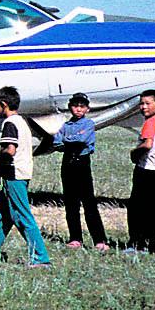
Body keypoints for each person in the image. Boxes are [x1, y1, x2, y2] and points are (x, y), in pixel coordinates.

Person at [0, 86, 51, 267]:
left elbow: (10, 151)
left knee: (23, 215)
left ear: (3, 105)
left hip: (14, 175)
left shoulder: (9, 124)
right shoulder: (22, 122)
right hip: (20, 172)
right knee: (4, 215)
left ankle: (40, 257)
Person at [50, 92, 108, 251]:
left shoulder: (88, 124)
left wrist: (68, 142)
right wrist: (71, 142)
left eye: (82, 106)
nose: (78, 109)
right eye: (75, 106)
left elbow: (82, 141)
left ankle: (100, 240)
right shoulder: (66, 126)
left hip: (82, 164)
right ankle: (75, 238)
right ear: (70, 108)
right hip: (68, 164)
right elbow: (57, 142)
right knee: (71, 203)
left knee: (89, 203)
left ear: (87, 109)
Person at [126, 89, 155, 255]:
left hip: (145, 171)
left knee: (137, 208)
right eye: (142, 103)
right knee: (154, 210)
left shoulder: (150, 122)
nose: (143, 107)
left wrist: (134, 153)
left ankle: (137, 244)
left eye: (147, 103)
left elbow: (148, 144)